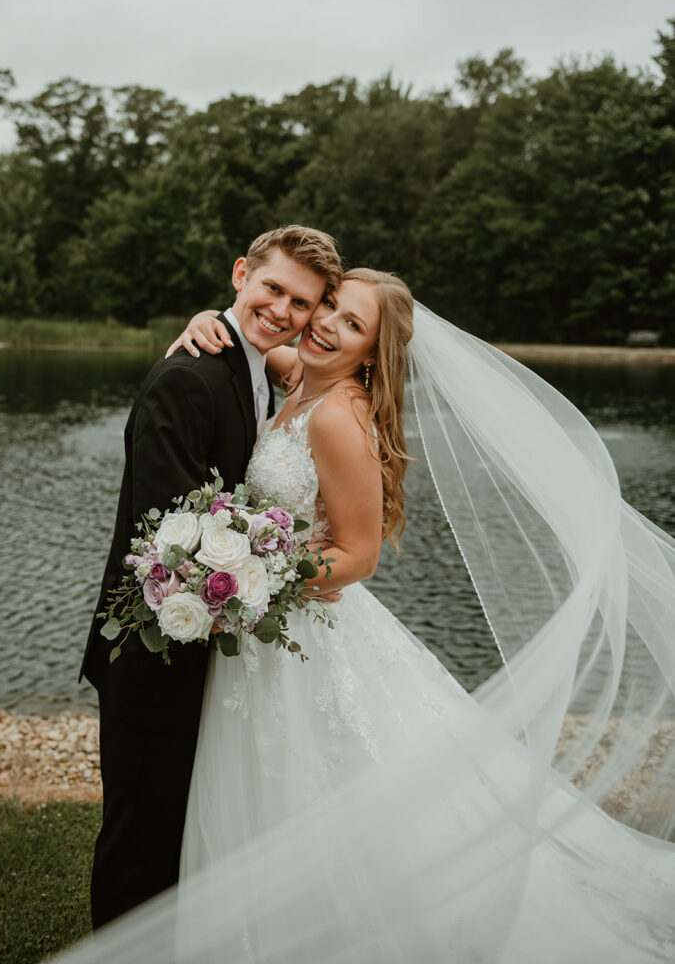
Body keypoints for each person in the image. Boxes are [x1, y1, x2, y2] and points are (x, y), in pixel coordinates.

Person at [62, 269, 675, 962]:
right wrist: (205, 319)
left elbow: (357, 555)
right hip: (261, 626)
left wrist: (255, 580)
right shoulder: (299, 373)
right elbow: (253, 344)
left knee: (319, 785)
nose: (324, 323)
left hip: (291, 620)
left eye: (351, 324)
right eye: (327, 306)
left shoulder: (336, 415)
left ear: (372, 353)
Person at [79, 225, 342, 929]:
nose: (282, 309)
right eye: (272, 288)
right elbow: (168, 537)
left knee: (184, 839)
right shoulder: (186, 377)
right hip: (154, 657)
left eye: (300, 301)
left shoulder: (257, 368)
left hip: (217, 657)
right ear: (239, 275)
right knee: (140, 846)